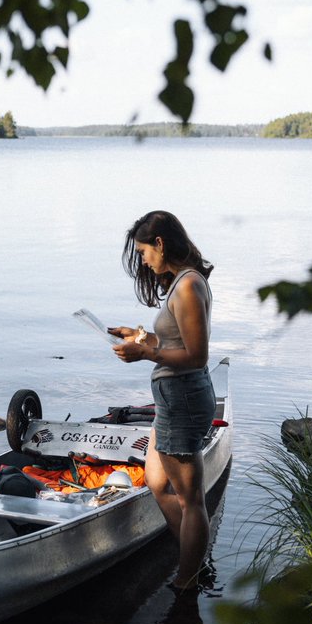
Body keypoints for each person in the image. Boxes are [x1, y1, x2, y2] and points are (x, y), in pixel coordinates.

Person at [108, 210, 216, 592]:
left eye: (142, 252)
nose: (142, 260)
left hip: (184, 399)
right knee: (156, 481)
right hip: (172, 400)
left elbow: (196, 356)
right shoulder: (181, 283)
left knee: (191, 501)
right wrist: (139, 338)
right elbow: (171, 342)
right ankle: (191, 552)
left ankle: (187, 580)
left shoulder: (187, 286)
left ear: (160, 244)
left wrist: (145, 355)